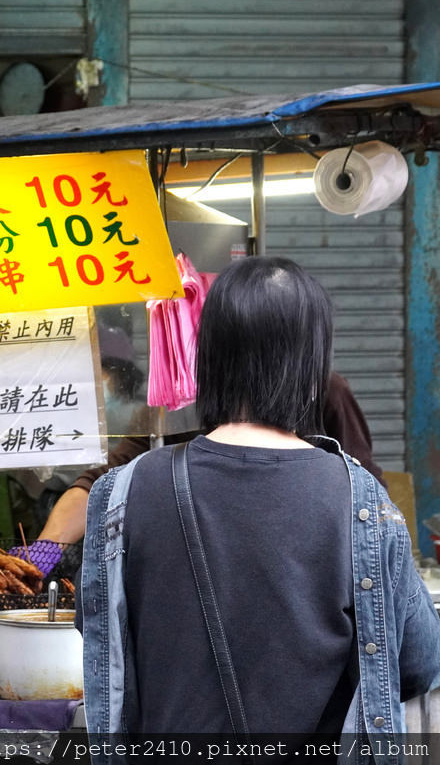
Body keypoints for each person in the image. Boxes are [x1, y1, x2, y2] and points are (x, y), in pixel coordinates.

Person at [78, 256, 440, 755]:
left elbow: (101, 638)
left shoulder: (123, 492)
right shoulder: (359, 501)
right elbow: (419, 661)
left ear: (208, 355)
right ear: (312, 365)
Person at [21, 370, 386, 574]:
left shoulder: (321, 391)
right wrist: (45, 549)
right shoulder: (178, 403)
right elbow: (104, 484)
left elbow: (369, 499)